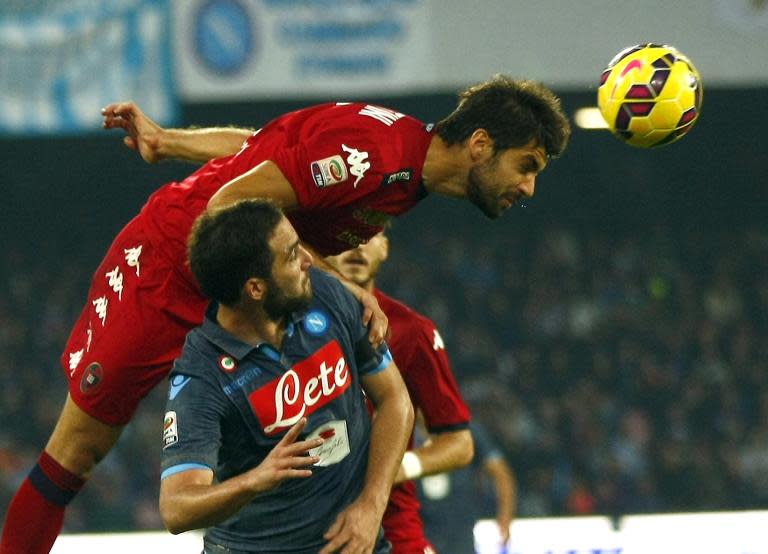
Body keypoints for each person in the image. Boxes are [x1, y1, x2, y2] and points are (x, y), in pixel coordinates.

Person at [0, 75, 569, 553]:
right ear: (479, 143)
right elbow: (229, 201)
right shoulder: (376, 156)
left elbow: (260, 149)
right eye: (527, 164)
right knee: (77, 452)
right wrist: (338, 285)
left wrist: (168, 140)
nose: (530, 186)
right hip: (167, 268)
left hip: (253, 294)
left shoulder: (400, 165)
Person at [160, 198, 413, 553]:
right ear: (256, 289)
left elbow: (394, 400)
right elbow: (176, 508)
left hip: (351, 542)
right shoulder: (202, 376)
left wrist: (371, 505)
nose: (310, 262)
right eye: (293, 255)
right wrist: (254, 480)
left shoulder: (324, 294)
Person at [326, 231, 474, 553]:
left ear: (385, 248)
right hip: (304, 527)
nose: (356, 245)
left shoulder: (413, 331)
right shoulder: (286, 327)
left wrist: (396, 467)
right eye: (343, 233)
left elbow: (459, 443)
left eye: (369, 235)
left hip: (392, 531)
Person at [418, 421, 517, 554]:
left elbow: (501, 473)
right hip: (420, 529)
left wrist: (505, 518)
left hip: (460, 531)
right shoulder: (404, 430)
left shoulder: (466, 430)